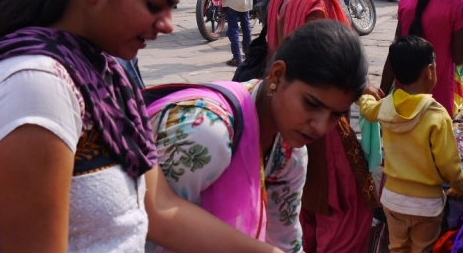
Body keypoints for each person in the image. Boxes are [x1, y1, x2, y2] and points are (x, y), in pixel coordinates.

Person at [0, 0, 281, 253]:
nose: (167, 26)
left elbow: (161, 211)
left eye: (170, 8)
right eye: (153, 5)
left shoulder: (105, 73)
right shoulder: (36, 85)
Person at [148, 20, 368, 253]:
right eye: (311, 104)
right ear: (277, 75)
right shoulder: (206, 131)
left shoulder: (288, 152)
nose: (321, 127)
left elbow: (285, 240)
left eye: (336, 115)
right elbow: (150, 227)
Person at [265, 0, 378, 253]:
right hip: (318, 112)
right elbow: (324, 66)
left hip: (287, 107)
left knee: (307, 198)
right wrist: (361, 89)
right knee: (341, 203)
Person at [358, 36, 463, 253]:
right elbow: (449, 164)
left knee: (397, 247)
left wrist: (364, 94)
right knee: (423, 249)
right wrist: (460, 185)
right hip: (426, 206)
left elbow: (367, 109)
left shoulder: (386, 106)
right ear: (430, 70)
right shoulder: (437, 115)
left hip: (393, 200)